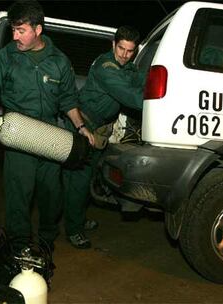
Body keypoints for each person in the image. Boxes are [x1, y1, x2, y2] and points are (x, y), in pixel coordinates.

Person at [0, 0, 94, 253]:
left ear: (38, 30)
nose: (15, 36)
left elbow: (68, 100)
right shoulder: (6, 57)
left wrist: (81, 127)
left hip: (49, 136)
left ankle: (47, 240)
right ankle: (19, 247)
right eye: (13, 30)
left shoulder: (59, 61)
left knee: (52, 196)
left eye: (21, 30)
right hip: (16, 134)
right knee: (19, 196)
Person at [63, 25, 145, 249]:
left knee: (87, 178)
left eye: (130, 51)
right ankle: (73, 230)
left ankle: (77, 219)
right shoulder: (106, 67)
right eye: (121, 49)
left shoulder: (127, 67)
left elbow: (141, 79)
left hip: (99, 130)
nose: (124, 55)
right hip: (82, 126)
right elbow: (133, 97)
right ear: (113, 45)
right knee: (78, 182)